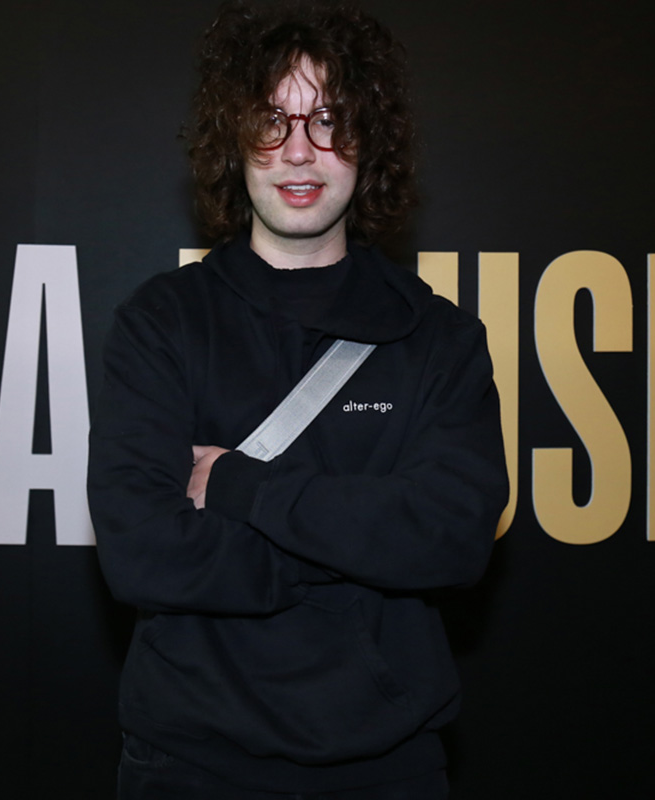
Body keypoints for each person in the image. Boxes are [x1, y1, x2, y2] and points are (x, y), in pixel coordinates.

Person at [87, 2, 509, 797]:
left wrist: (243, 488)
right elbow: (141, 553)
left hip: (386, 765)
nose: (299, 150)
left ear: (369, 141)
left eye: (329, 120)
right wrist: (363, 550)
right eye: (270, 121)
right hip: (190, 765)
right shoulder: (162, 322)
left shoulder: (438, 338)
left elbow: (452, 539)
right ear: (232, 139)